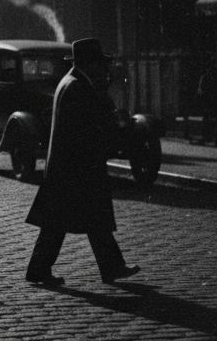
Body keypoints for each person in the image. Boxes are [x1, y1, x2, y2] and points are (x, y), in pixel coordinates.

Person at [25, 38, 140, 287]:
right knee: (79, 222)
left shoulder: (71, 82)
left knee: (67, 223)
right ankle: (109, 268)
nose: (103, 69)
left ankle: (109, 267)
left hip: (68, 167)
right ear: (90, 64)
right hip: (77, 167)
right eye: (100, 63)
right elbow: (85, 129)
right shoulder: (78, 87)